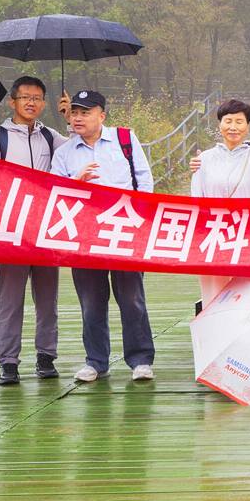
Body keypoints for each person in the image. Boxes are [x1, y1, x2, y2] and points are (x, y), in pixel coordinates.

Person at [50, 90, 157, 383]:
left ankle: (140, 360)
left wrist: (141, 222)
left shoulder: (125, 140)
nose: (78, 118)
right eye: (74, 112)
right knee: (91, 302)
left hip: (124, 232)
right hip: (84, 237)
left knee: (132, 298)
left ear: (102, 116)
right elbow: (54, 195)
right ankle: (96, 362)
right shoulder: (64, 153)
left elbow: (144, 181)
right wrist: (77, 181)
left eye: (85, 112)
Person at [0, 76, 67, 385]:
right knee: (10, 300)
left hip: (45, 230)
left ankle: (46, 356)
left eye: (38, 98)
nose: (31, 102)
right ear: (12, 102)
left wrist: (70, 119)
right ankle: (8, 362)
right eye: (25, 97)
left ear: (43, 104)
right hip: (10, 231)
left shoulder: (51, 136)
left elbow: (79, 152)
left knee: (48, 299)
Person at [191, 99, 250, 309]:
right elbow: (197, 202)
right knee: (214, 297)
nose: (233, 127)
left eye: (239, 121)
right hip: (213, 239)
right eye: (228, 121)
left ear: (247, 126)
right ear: (220, 124)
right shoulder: (204, 160)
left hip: (248, 239)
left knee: (247, 298)